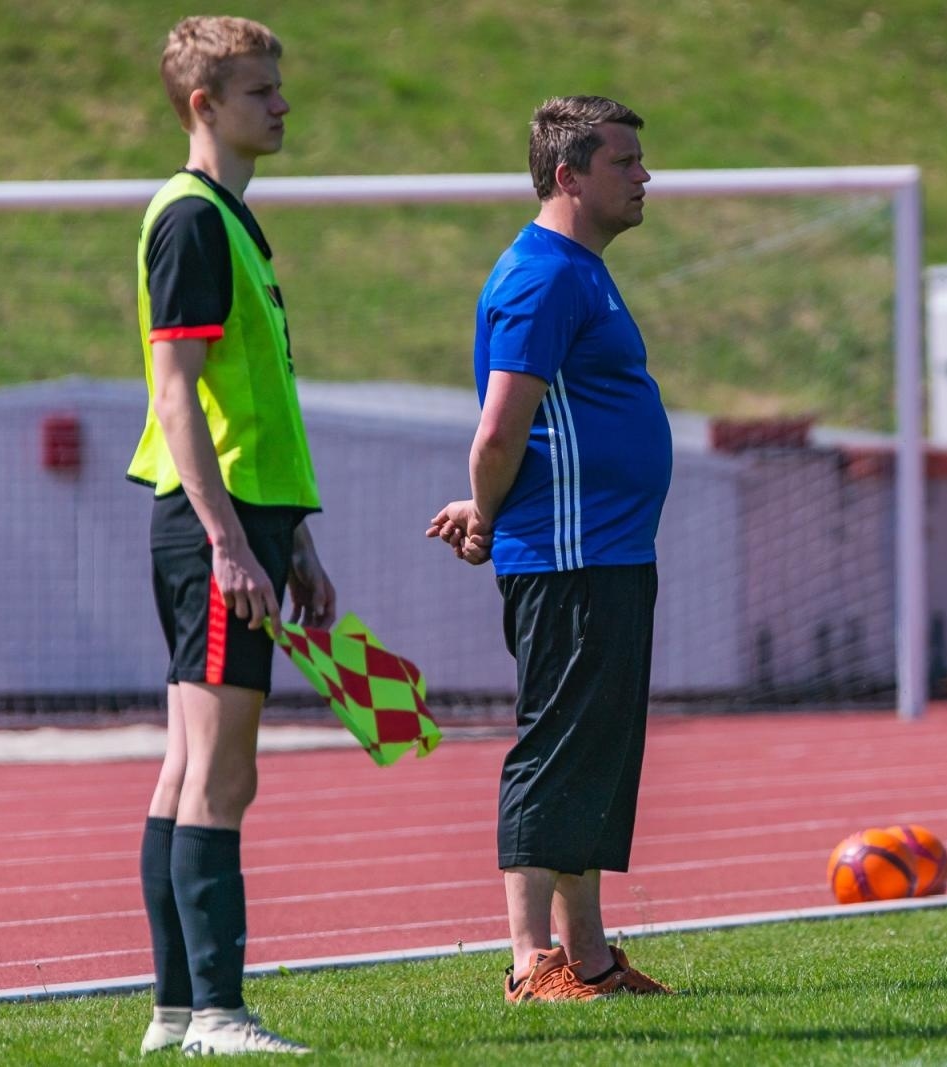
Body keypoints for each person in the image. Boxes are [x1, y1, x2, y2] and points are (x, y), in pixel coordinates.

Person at [427, 95, 677, 1002]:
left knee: (595, 753)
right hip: (572, 557)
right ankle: (531, 960)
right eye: (624, 161)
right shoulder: (544, 276)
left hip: (608, 551)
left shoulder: (579, 270)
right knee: (557, 745)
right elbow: (501, 428)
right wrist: (488, 512)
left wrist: (485, 502)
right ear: (568, 175)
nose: (644, 175)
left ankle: (591, 957)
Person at [127, 15, 334, 1056]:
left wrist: (291, 539)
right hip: (214, 524)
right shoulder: (192, 220)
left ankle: (175, 1012)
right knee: (220, 774)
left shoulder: (228, 219)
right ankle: (216, 1010)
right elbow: (177, 393)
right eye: (261, 91)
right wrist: (229, 540)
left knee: (189, 768)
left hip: (244, 518)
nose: (282, 105)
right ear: (204, 105)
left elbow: (249, 401)